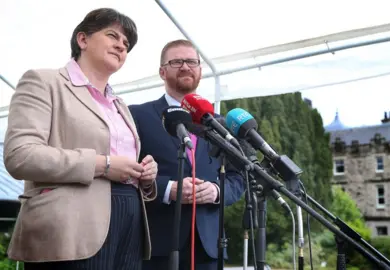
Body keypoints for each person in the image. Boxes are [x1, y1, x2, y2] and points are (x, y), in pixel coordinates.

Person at [3, 8, 158, 270]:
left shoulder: (120, 104)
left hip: (129, 222)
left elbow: (123, 165)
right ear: (82, 40)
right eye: (112, 35)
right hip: (69, 228)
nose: (121, 45)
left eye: (126, 44)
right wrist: (103, 164)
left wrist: (144, 174)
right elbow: (21, 155)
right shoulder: (43, 81)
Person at [129, 39, 245, 270]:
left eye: (192, 61)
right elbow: (127, 173)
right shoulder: (137, 115)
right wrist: (167, 189)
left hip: (209, 247)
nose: (185, 67)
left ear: (201, 70)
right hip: (156, 246)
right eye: (176, 61)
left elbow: (239, 177)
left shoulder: (219, 124)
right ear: (162, 72)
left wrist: (216, 191)